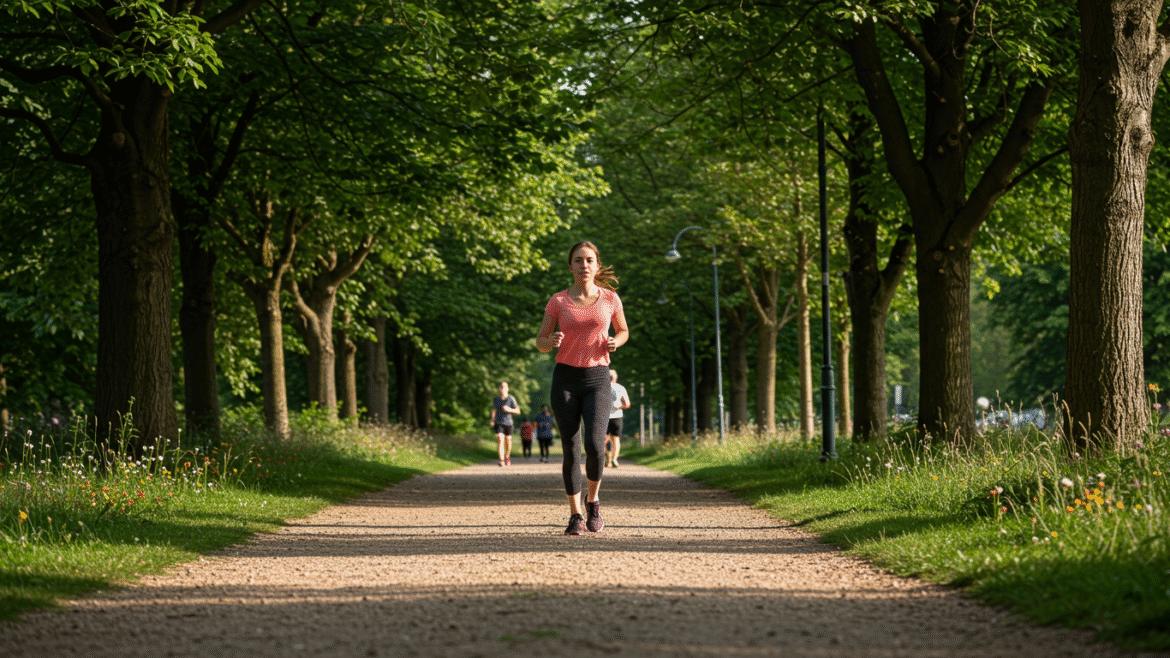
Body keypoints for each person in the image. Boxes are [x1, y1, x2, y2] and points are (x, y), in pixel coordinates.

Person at [536, 241, 629, 535]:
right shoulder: (558, 301)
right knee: (572, 449)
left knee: (594, 445)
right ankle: (575, 514)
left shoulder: (611, 299)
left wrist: (617, 341)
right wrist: (549, 343)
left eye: (589, 260)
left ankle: (594, 502)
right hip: (565, 379)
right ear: (570, 266)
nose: (584, 265)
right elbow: (540, 341)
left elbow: (623, 330)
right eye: (578, 260)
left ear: (597, 265)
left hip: (598, 379)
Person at [490, 381, 520, 466]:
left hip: (508, 422)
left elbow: (518, 411)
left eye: (504, 387)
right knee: (500, 439)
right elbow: (494, 410)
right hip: (498, 422)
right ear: (499, 389)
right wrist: (492, 420)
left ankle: (507, 457)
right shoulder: (496, 399)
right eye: (500, 387)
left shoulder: (511, 398)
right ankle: (501, 460)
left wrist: (509, 410)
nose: (502, 389)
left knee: (508, 440)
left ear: (507, 389)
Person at [606, 369, 631, 468]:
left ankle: (608, 457)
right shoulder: (621, 388)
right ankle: (614, 459)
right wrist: (619, 406)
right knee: (616, 439)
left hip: (604, 417)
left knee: (604, 439)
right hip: (617, 417)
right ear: (615, 378)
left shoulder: (602, 387)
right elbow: (627, 404)